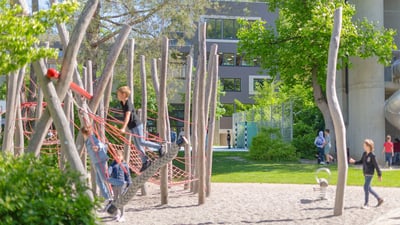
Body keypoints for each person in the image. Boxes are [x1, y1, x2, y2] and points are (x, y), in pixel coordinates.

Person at [116, 86, 164, 172]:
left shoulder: (128, 104)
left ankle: (159, 147)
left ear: (124, 94)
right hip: (132, 127)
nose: (117, 95)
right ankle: (145, 161)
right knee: (138, 146)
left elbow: (127, 116)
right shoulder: (122, 102)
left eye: (119, 94)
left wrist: (123, 128)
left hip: (137, 125)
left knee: (141, 142)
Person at [81, 126, 112, 205]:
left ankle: (112, 192)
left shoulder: (92, 138)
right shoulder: (87, 140)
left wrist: (98, 148)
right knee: (98, 181)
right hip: (96, 161)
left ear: (84, 133)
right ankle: (107, 197)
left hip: (100, 161)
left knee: (104, 179)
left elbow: (100, 144)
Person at [349, 139, 384, 209]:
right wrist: (354, 161)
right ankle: (379, 199)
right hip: (365, 173)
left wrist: (379, 175)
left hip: (370, 174)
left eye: (365, 145)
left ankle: (366, 203)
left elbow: (376, 165)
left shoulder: (372, 155)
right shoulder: (364, 154)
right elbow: (361, 161)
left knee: (365, 187)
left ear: (369, 146)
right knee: (369, 188)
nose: (363, 146)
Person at [107, 151, 132, 222]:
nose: (117, 157)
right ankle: (116, 214)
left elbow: (128, 175)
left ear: (122, 157)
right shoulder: (112, 165)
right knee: (115, 200)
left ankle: (122, 215)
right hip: (114, 185)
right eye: (116, 156)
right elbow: (109, 172)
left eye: (119, 156)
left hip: (122, 185)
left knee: (121, 200)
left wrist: (129, 183)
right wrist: (107, 173)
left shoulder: (124, 165)